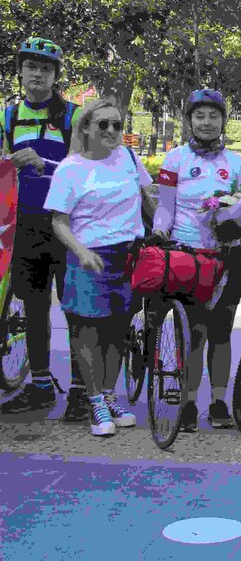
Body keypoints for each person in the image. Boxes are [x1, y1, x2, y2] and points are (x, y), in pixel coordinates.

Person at [44, 97, 152, 436]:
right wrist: (81, 251)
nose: (111, 130)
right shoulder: (70, 168)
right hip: (90, 257)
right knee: (88, 330)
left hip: (128, 255)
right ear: (86, 128)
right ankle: (94, 401)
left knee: (118, 331)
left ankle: (108, 395)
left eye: (117, 124)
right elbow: (58, 221)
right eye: (103, 124)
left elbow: (149, 198)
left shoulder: (129, 158)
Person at [152, 89, 241, 431]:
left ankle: (219, 402)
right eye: (199, 116)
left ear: (224, 120)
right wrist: (159, 232)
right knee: (192, 333)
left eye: (214, 116)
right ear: (189, 120)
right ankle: (188, 402)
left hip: (227, 258)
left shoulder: (237, 163)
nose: (207, 122)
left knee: (221, 333)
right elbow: (165, 207)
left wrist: (236, 227)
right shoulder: (175, 160)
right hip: (187, 259)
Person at [0, 38, 91, 421]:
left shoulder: (74, 116)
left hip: (67, 225)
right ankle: (39, 387)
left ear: (56, 76)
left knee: (75, 308)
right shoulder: (8, 117)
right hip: (25, 225)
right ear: (20, 72)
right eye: (31, 67)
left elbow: (90, 170)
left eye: (45, 68)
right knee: (34, 308)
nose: (37, 74)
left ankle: (82, 392)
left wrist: (45, 164)